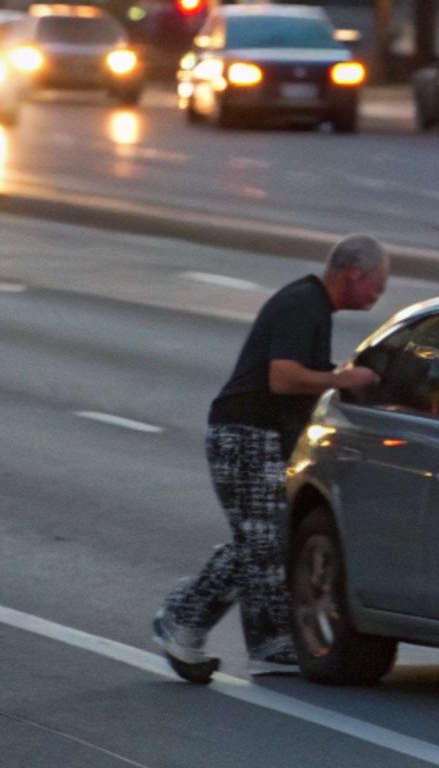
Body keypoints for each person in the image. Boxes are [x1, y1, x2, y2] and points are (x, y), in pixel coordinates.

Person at [153, 236, 387, 682]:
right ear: (354, 273)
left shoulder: (313, 306)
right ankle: (182, 618)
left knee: (267, 543)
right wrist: (342, 378)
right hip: (245, 434)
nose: (380, 292)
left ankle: (270, 645)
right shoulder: (303, 304)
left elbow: (295, 371)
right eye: (378, 282)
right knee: (261, 543)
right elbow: (283, 379)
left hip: (259, 437)